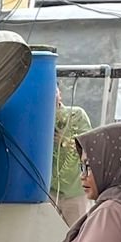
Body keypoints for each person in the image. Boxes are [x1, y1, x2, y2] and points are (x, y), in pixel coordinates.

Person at [50, 91, 93, 227]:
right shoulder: (39, 118)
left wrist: (65, 141)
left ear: (60, 94)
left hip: (76, 192)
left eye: (54, 91)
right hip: (49, 192)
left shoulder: (77, 115)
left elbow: (89, 147)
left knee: (77, 233)